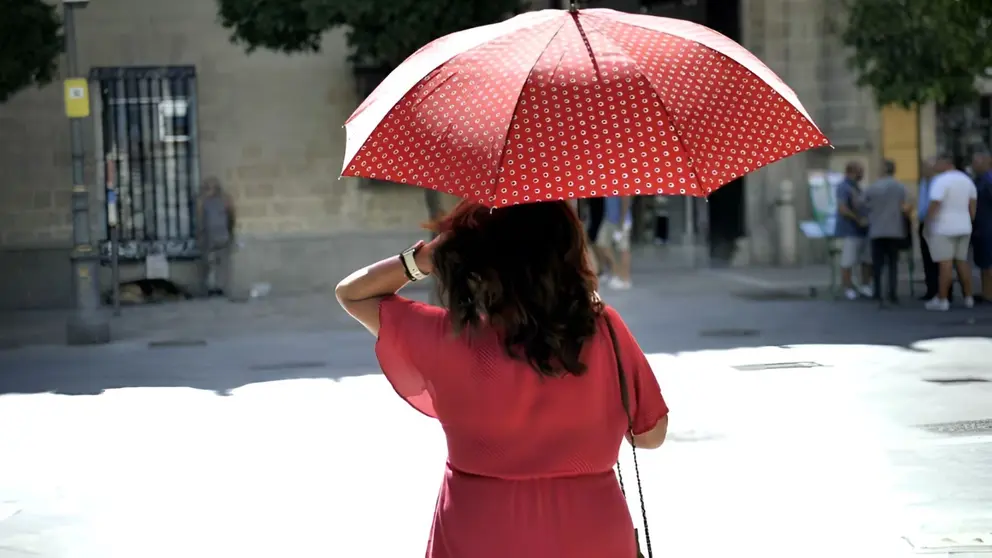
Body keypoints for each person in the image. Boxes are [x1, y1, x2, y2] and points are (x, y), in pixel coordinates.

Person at [334, 200, 669, 558]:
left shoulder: (450, 338)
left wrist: (426, 258)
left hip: (479, 534)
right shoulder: (604, 329)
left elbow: (352, 293)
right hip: (592, 534)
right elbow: (650, 435)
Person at [924, 154, 978, 311]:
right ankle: (968, 297)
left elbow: (935, 203)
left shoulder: (940, 181)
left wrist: (928, 222)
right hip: (964, 226)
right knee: (962, 262)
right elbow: (972, 205)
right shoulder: (967, 180)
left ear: (945, 163)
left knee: (945, 264)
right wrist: (970, 220)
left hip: (944, 227)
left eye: (937, 163)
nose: (934, 166)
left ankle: (942, 300)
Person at [864, 159, 912, 305]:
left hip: (877, 230)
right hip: (894, 230)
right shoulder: (900, 187)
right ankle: (892, 293)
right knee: (893, 264)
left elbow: (863, 204)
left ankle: (877, 292)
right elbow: (907, 206)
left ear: (883, 170)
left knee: (877, 264)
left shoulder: (872, 187)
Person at [835, 161, 873, 300]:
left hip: (863, 230)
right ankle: (848, 287)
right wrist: (858, 220)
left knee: (866, 259)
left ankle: (865, 285)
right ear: (851, 172)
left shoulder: (857, 187)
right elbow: (843, 208)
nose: (862, 174)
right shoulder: (844, 187)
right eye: (860, 171)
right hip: (850, 230)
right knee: (848, 261)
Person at [196, 177, 236, 296]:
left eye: (210, 188)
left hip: (222, 236)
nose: (208, 190)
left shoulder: (225, 200)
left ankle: (221, 287)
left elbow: (231, 217)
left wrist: (230, 233)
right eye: (207, 188)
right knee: (210, 263)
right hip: (209, 238)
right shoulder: (203, 201)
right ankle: (211, 287)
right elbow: (200, 220)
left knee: (222, 263)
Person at [595, 196, 633, 289]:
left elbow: (626, 201)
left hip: (621, 221)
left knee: (623, 250)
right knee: (601, 245)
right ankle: (615, 272)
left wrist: (621, 223)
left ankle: (625, 279)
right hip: (608, 219)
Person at [916, 158, 940, 300]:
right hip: (923, 223)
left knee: (937, 258)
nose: (923, 170)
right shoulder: (923, 182)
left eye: (926, 167)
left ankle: (940, 290)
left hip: (934, 223)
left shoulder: (938, 183)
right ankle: (931, 289)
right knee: (926, 258)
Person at [971, 150, 992, 302]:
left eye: (976, 162)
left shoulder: (988, 180)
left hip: (988, 226)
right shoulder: (978, 180)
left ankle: (989, 292)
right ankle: (986, 292)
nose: (973, 165)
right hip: (981, 225)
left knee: (988, 261)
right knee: (983, 261)